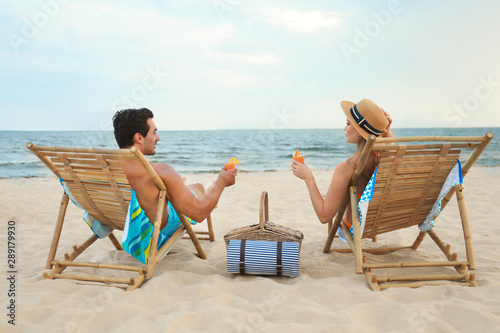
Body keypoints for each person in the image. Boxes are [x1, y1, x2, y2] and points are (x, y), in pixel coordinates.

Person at [112, 108, 237, 236]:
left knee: (178, 189)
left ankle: (177, 187)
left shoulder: (104, 167)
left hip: (122, 221)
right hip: (159, 227)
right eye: (154, 132)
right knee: (198, 187)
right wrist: (222, 181)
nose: (158, 138)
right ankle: (185, 187)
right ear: (139, 137)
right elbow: (199, 214)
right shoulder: (160, 171)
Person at [292, 99, 393, 228]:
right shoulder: (387, 158)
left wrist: (308, 178)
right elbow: (390, 145)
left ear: (359, 130)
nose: (345, 128)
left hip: (357, 226)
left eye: (348, 123)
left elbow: (324, 216)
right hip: (381, 223)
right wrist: (387, 133)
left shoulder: (347, 167)